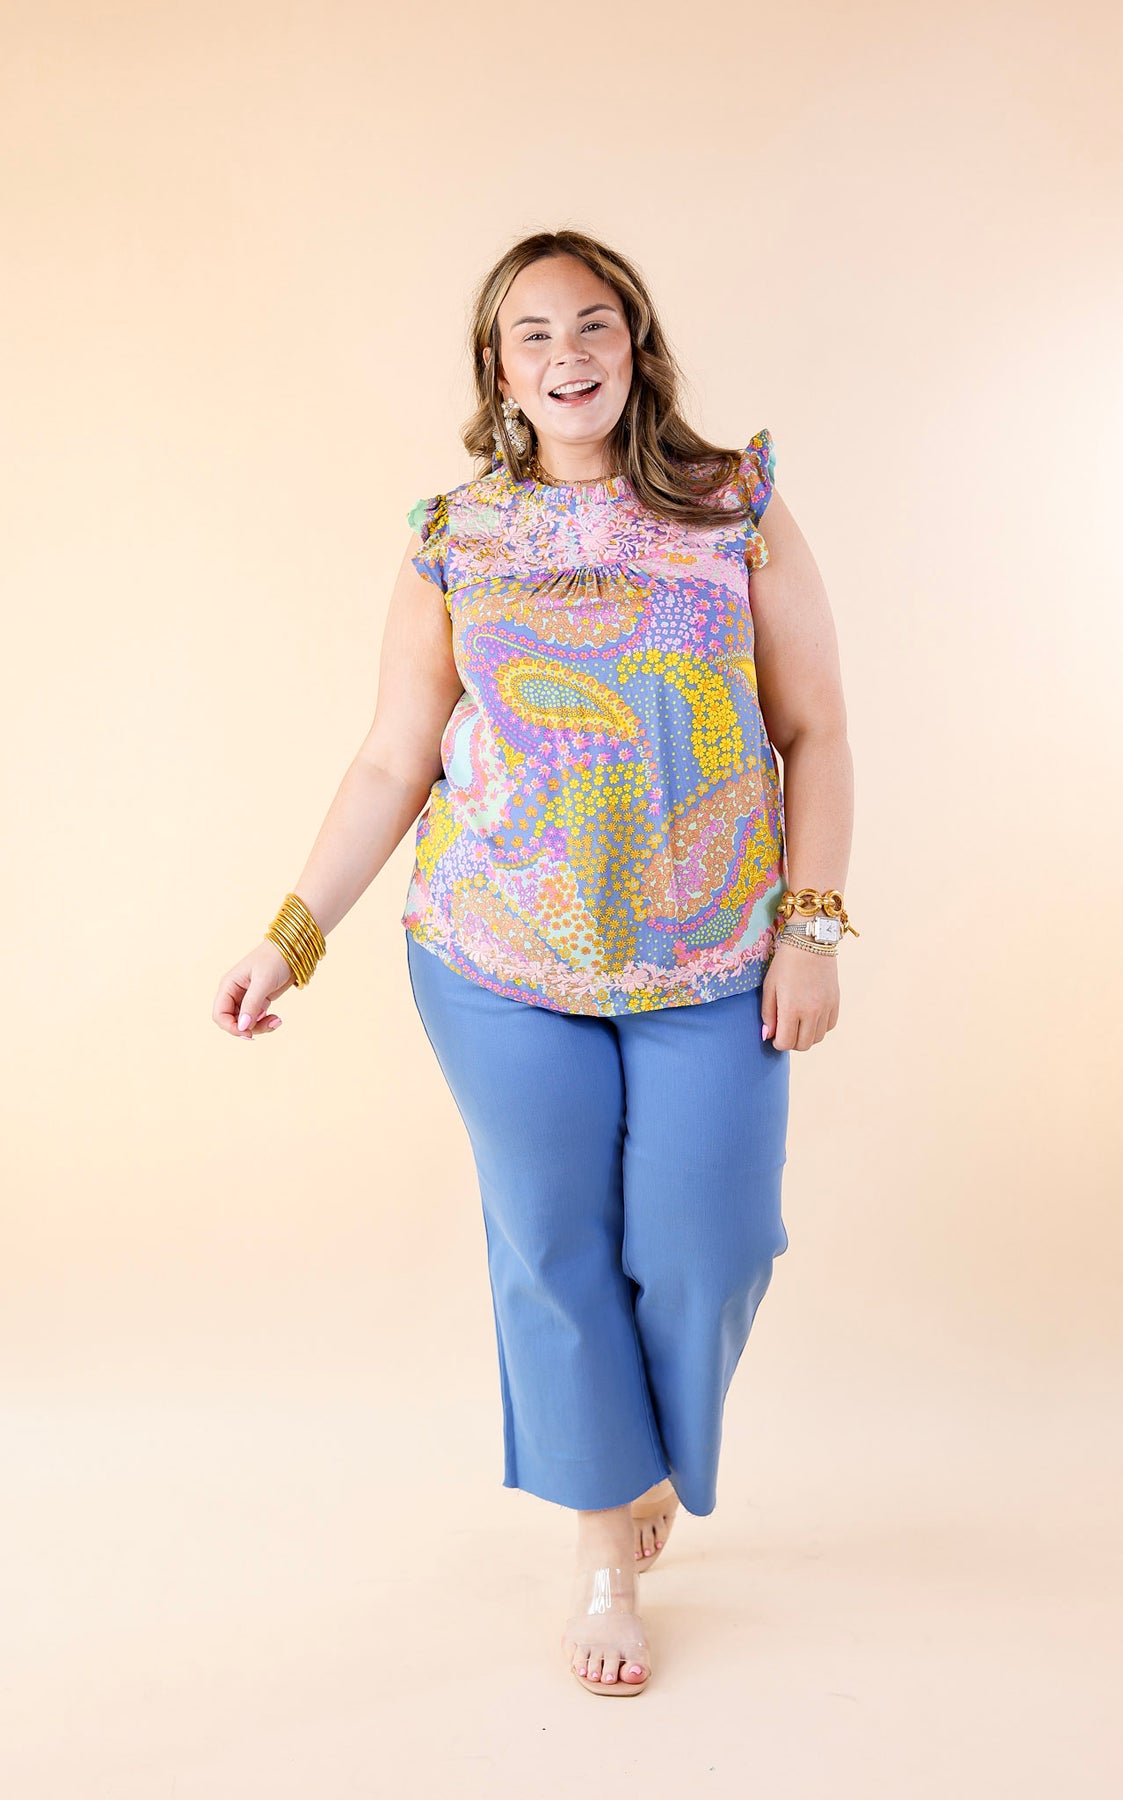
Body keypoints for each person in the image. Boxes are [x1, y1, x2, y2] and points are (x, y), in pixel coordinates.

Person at [212, 228, 856, 1699]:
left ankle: (639, 1460)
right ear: (498, 373)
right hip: (496, 952)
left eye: (594, 324)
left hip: (712, 953)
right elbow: (395, 758)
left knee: (711, 1246)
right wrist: (291, 935)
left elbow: (815, 728)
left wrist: (812, 928)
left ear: (637, 343)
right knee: (554, 1248)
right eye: (533, 335)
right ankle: (602, 1544)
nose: (569, 355)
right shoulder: (455, 538)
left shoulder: (734, 506)